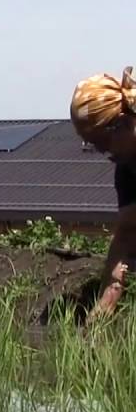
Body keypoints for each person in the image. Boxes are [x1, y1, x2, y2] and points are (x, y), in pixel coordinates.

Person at [71, 68, 136, 326]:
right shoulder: (128, 170)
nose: (100, 150)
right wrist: (108, 298)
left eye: (101, 141)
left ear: (123, 122)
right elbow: (127, 231)